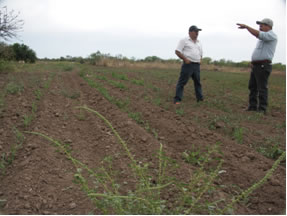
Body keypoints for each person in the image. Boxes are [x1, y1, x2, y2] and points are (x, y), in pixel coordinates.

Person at [237, 18, 277, 114]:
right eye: (260, 25)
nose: (260, 26)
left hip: (263, 66)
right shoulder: (262, 39)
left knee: (262, 88)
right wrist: (253, 62)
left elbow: (258, 34)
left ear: (269, 26)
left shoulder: (271, 35)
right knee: (252, 87)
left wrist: (246, 27)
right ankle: (252, 106)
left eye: (262, 25)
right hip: (256, 66)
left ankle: (262, 109)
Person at [174, 25, 203, 105]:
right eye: (195, 31)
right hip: (188, 64)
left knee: (198, 83)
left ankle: (200, 99)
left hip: (196, 65)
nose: (197, 33)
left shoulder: (199, 42)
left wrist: (200, 60)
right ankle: (177, 99)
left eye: (198, 32)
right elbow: (177, 51)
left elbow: (200, 53)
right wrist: (185, 59)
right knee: (182, 82)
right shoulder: (184, 40)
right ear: (190, 32)